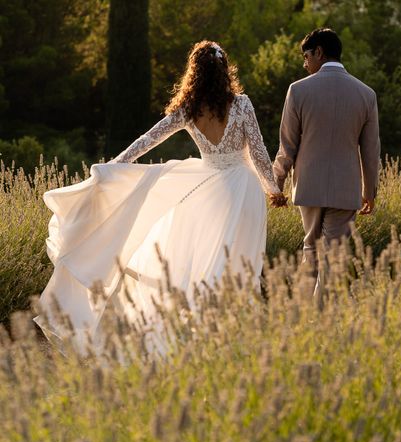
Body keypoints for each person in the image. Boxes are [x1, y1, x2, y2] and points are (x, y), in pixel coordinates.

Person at [36, 40, 287, 354]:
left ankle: (202, 331)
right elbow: (260, 153)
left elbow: (149, 139)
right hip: (243, 187)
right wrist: (273, 189)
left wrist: (116, 165)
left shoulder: (188, 109)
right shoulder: (242, 104)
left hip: (208, 188)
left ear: (194, 73)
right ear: (225, 70)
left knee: (206, 258)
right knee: (238, 261)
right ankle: (231, 335)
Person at [273, 28, 381, 282]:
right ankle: (324, 316)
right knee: (334, 257)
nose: (304, 63)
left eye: (306, 56)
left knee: (311, 249)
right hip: (346, 189)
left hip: (309, 185)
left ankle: (306, 314)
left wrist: (275, 183)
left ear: (319, 52)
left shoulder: (297, 91)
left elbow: (287, 146)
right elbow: (371, 150)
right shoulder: (366, 94)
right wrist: (370, 191)